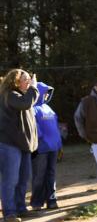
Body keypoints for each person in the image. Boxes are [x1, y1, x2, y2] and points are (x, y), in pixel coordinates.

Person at [0, 69, 38, 222]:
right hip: (9, 144)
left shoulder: (21, 95)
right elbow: (25, 104)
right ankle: (9, 212)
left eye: (30, 79)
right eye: (26, 79)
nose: (28, 82)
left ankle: (21, 208)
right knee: (11, 180)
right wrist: (34, 88)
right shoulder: (10, 95)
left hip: (23, 145)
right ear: (15, 81)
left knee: (23, 179)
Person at [30, 81, 62, 211]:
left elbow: (55, 127)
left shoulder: (48, 108)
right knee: (39, 176)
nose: (47, 95)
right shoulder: (32, 108)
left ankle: (51, 200)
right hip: (41, 149)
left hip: (53, 148)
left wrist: (59, 143)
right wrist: (41, 139)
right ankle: (37, 202)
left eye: (48, 93)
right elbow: (34, 129)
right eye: (45, 93)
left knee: (51, 174)